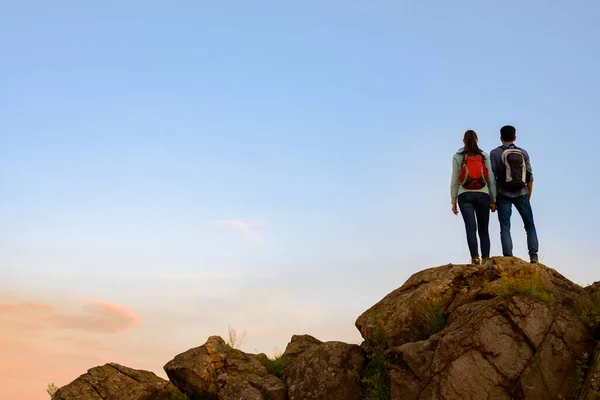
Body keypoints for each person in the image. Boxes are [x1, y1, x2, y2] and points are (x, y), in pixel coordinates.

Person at [490, 125, 539, 263]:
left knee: (505, 227)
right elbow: (530, 177)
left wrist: (492, 199)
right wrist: (527, 196)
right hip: (521, 192)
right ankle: (534, 256)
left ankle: (508, 257)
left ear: (500, 138)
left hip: (503, 193)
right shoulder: (523, 153)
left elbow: (492, 178)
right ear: (515, 137)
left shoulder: (494, 153)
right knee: (529, 225)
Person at [450, 130, 497, 265]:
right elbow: (491, 179)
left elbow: (454, 180)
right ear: (476, 139)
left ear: (463, 141)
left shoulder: (457, 156)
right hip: (483, 195)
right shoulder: (484, 156)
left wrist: (453, 201)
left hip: (464, 195)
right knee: (484, 230)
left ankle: (475, 258)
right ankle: (486, 259)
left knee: (471, 228)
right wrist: (493, 199)